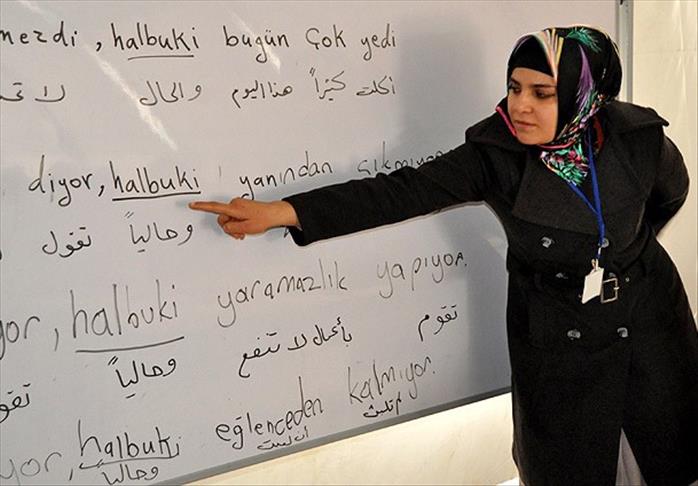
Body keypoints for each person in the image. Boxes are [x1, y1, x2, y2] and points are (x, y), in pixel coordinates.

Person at [190, 26, 698, 486]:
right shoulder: (495, 153)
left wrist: (619, 254)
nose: (520, 106)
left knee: (668, 449)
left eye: (542, 93)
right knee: (574, 463)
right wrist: (284, 212)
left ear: (584, 95)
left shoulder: (638, 139)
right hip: (559, 336)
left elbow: (670, 194)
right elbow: (401, 192)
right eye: (515, 87)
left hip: (650, 322)